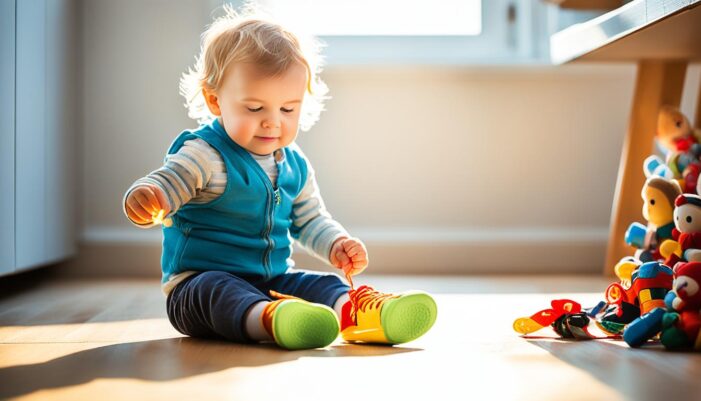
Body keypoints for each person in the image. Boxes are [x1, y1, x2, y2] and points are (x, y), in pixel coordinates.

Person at [123, 5, 437, 350]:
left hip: (273, 279)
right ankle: (270, 320)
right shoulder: (205, 155)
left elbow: (310, 219)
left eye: (288, 109)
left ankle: (360, 316)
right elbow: (168, 183)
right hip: (197, 285)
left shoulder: (293, 164)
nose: (273, 122)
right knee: (216, 290)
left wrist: (336, 243)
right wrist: (149, 195)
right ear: (215, 100)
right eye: (255, 109)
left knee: (325, 285)